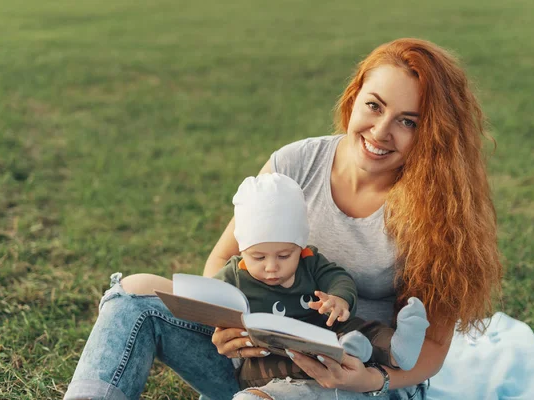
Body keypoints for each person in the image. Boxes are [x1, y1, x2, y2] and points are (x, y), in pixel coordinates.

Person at [64, 38, 502, 400]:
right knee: (132, 296)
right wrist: (227, 325)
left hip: (354, 378)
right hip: (257, 359)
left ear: (433, 134)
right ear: (354, 99)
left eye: (407, 121)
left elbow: (434, 347)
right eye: (374, 106)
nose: (381, 131)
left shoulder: (439, 209)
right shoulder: (296, 163)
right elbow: (223, 258)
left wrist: (371, 379)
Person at [213, 172, 429, 393]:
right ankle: (346, 355)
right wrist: (220, 319)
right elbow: (209, 295)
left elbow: (338, 278)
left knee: (362, 328)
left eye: (285, 255)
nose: (271, 267)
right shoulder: (234, 273)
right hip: (272, 352)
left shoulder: (310, 261)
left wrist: (338, 299)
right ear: (242, 251)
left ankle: (396, 349)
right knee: (276, 360)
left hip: (324, 333)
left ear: (300, 247)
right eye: (258, 258)